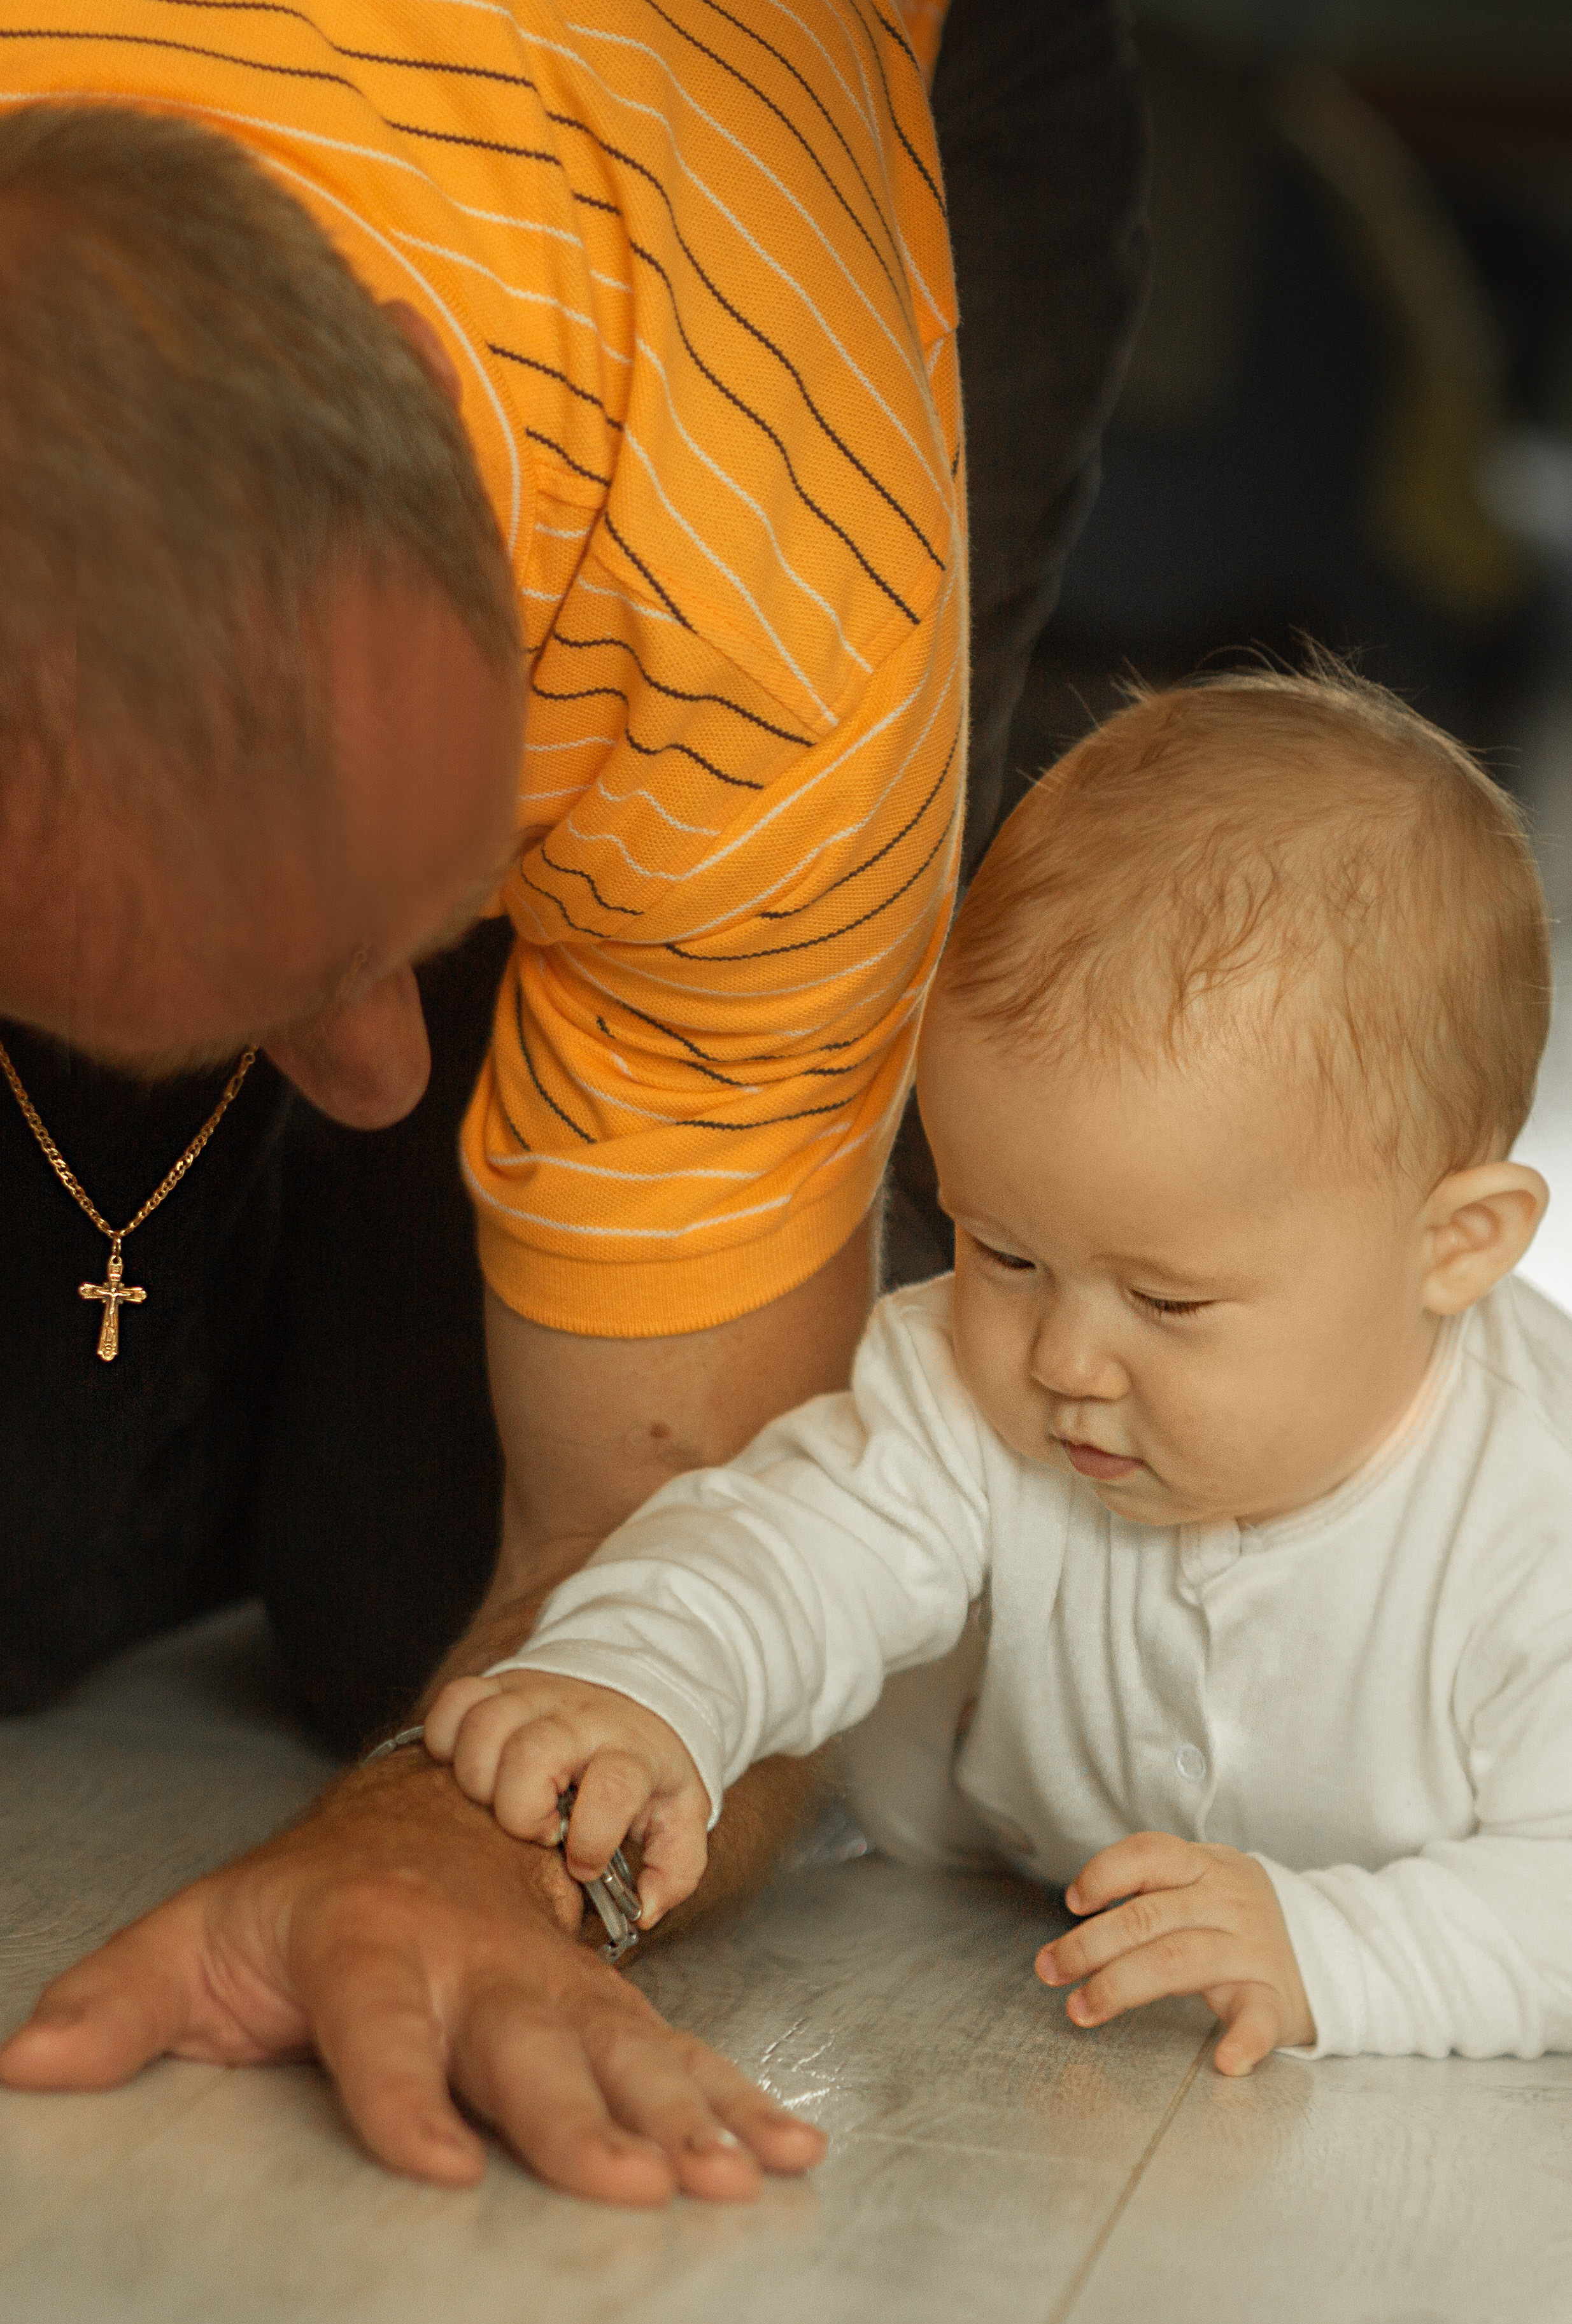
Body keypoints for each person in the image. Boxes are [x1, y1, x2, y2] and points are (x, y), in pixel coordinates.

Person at [0, 3, 1150, 2204]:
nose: (381, 1079)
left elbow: (703, 1578)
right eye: (271, 989)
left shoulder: (766, 545)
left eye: (396, 933)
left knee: (420, 1602)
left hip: (808, 112)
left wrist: (465, 1842)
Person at [423, 664, 1572, 2074]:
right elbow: (790, 1544)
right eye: (1000, 1250)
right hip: (934, 1838)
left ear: (1453, 1245)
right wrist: (645, 1684)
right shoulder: (970, 1378)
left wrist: (1325, 1948)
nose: (1062, 1354)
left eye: (1165, 1297)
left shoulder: (1532, 1514)